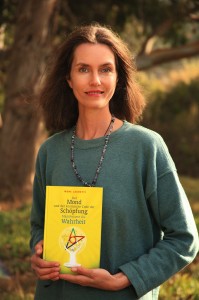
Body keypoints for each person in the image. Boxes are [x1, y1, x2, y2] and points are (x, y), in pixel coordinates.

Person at [30, 23, 199, 300]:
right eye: (83, 69)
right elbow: (39, 225)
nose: (95, 80)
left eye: (105, 69)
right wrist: (38, 252)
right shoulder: (50, 151)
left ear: (119, 78)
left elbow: (185, 239)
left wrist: (124, 278)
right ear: (68, 79)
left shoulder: (147, 147)